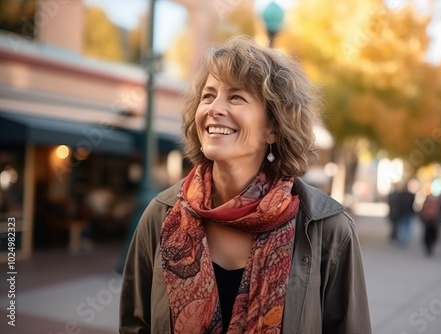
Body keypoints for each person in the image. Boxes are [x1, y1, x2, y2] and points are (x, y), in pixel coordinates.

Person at [119, 36, 371, 334]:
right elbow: (135, 327)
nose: (214, 108)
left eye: (236, 97)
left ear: (274, 128)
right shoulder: (161, 216)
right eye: (208, 95)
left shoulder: (327, 229)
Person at [419, 192, 441, 256]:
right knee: (433, 233)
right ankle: (430, 245)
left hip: (427, 220)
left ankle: (428, 246)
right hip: (434, 220)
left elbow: (421, 211)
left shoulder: (426, 202)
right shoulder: (437, 202)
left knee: (427, 234)